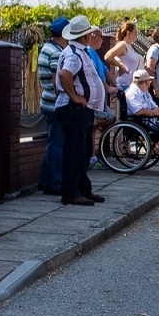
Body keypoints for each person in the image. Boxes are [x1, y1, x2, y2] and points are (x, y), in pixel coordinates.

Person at [53, 16, 106, 207]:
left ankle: (83, 189)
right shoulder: (75, 54)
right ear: (85, 35)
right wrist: (75, 97)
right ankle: (71, 192)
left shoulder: (77, 51)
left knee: (82, 151)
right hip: (74, 108)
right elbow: (64, 74)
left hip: (80, 109)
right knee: (75, 152)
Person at [37, 16, 69, 196]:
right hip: (55, 104)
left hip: (47, 101)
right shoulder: (57, 52)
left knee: (53, 143)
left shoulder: (48, 48)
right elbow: (58, 80)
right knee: (57, 144)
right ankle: (54, 183)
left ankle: (45, 179)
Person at [104, 21, 145, 91]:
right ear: (129, 33)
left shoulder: (131, 47)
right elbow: (108, 56)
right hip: (126, 85)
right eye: (135, 32)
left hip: (134, 87)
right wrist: (121, 67)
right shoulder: (123, 45)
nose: (136, 35)